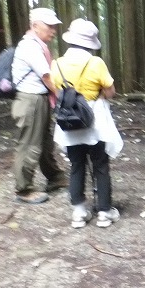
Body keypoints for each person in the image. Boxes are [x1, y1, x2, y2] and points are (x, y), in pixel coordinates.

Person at [51, 19, 123, 228]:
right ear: (90, 43)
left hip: (69, 122)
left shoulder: (57, 64)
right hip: (95, 122)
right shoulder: (96, 63)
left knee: (76, 165)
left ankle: (79, 212)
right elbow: (110, 92)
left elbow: (58, 93)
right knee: (100, 165)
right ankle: (104, 212)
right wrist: (97, 95)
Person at [10, 8, 67, 204]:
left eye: (54, 26)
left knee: (44, 142)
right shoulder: (30, 47)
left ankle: (54, 176)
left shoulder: (38, 46)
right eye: (49, 26)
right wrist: (63, 97)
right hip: (30, 100)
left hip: (38, 99)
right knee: (30, 145)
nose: (53, 30)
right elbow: (46, 76)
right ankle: (24, 189)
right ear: (35, 26)